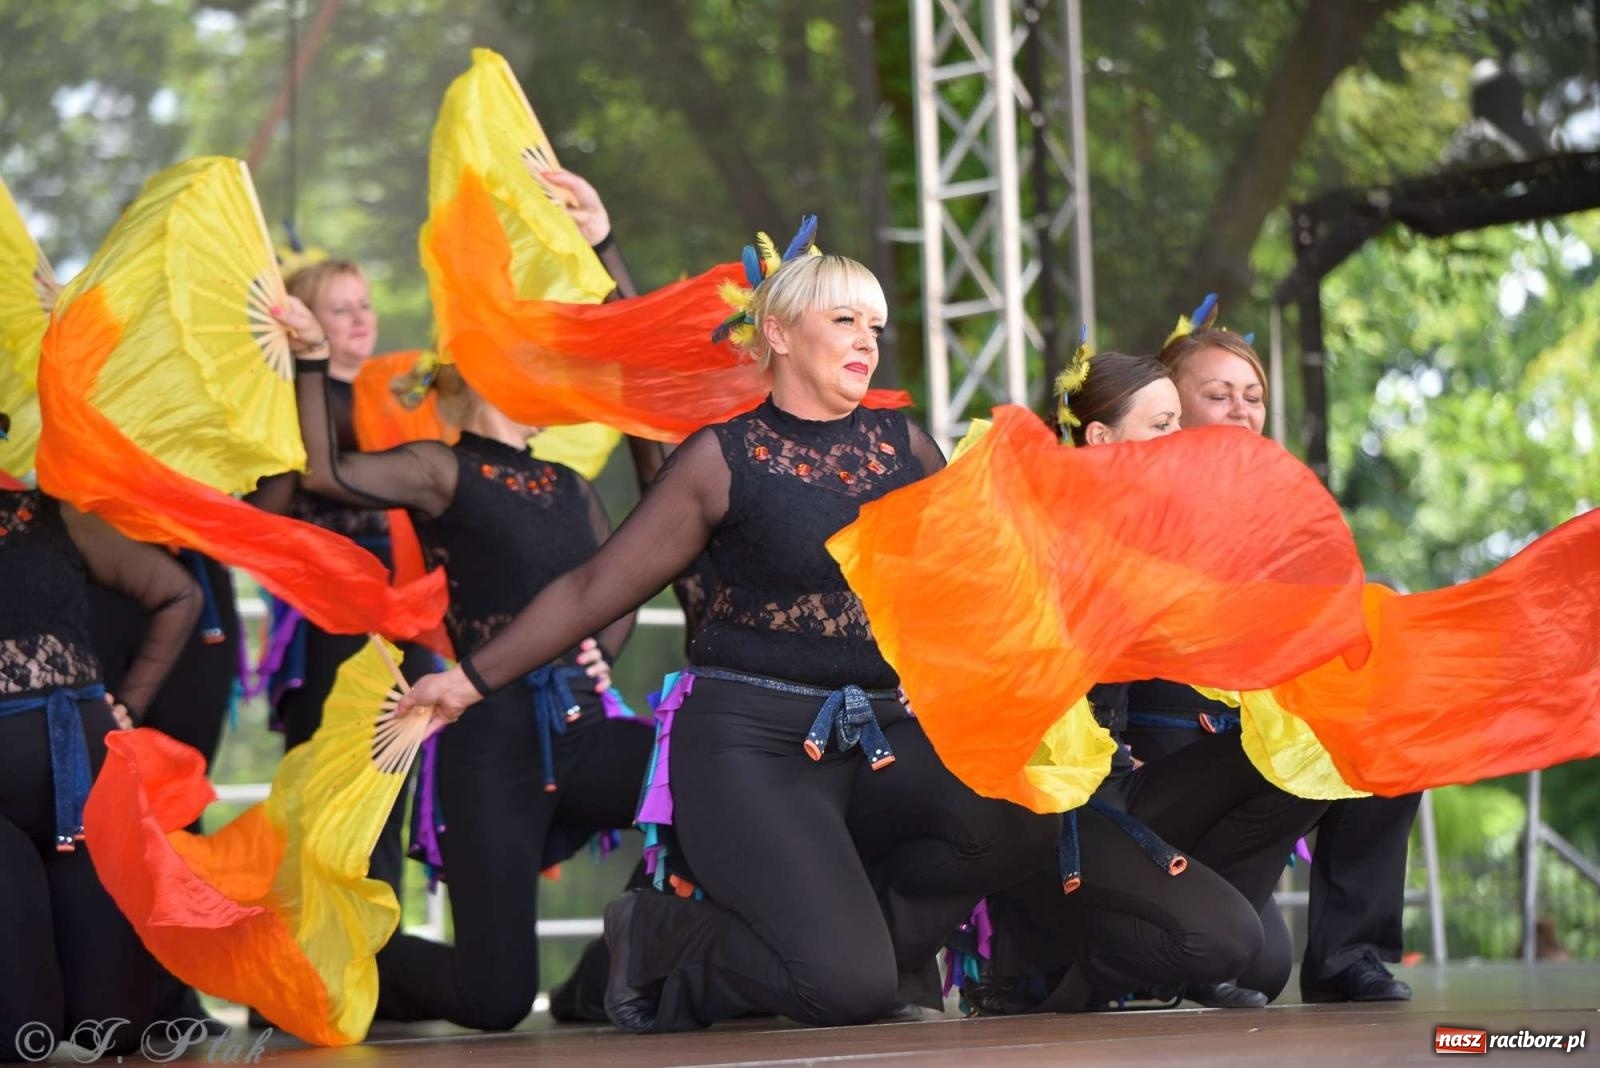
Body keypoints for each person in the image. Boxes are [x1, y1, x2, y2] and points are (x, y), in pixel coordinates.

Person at [396, 249, 1055, 1033]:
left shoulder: (904, 447)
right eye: (843, 320)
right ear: (776, 332)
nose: (866, 341)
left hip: (876, 734)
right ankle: (665, 939)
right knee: (846, 992)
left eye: (874, 325)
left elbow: (948, 587)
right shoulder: (721, 460)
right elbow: (588, 590)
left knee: (1025, 811)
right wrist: (466, 681)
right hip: (752, 749)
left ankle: (873, 945)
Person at [270, 274, 652, 1031]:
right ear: (482, 372)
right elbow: (326, 473)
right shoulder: (442, 469)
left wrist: (603, 650)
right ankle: (320, 957)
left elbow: (617, 583)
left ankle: (603, 981)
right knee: (497, 999)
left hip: (581, 723)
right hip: (491, 740)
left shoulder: (570, 485)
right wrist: (312, 363)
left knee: (707, 785)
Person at [964, 352, 1326, 1015]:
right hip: (1048, 806)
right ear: (1102, 439)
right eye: (1163, 424)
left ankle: (1159, 936)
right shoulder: (1039, 524)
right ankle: (1061, 963)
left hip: (1120, 784)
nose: (1177, 440)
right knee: (1227, 943)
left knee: (1314, 747)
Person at [1125, 326, 1419, 1005]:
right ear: (1171, 402)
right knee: (1248, 960)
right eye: (1219, 393)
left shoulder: (1281, 515)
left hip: (1256, 753)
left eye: (1252, 396)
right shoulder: (1131, 501)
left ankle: (1349, 955)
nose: (1241, 410)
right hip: (1166, 761)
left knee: (1388, 717)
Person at [0, 419, 201, 1061]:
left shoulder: (50, 514)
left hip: (84, 783)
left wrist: (129, 704)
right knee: (20, 1037)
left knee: (116, 1031)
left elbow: (178, 593)